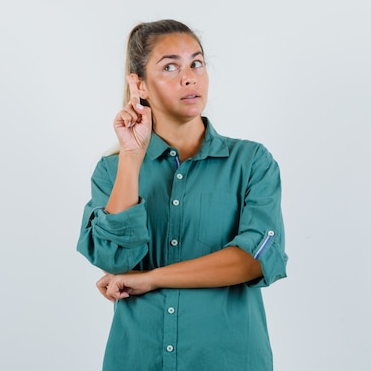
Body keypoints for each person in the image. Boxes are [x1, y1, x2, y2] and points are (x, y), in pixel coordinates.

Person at [77, 19, 288, 371]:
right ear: (139, 84)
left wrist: (151, 278)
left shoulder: (251, 162)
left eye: (197, 63)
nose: (189, 77)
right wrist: (131, 156)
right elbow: (114, 259)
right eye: (170, 66)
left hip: (229, 360)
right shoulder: (111, 171)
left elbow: (253, 259)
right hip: (138, 359)